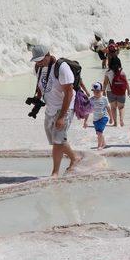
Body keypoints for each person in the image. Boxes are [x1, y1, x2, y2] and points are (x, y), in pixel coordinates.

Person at [30, 45, 81, 177]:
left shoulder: (61, 67)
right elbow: (41, 86)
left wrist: (62, 117)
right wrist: (36, 100)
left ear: (48, 55)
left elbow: (69, 93)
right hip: (50, 109)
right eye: (36, 61)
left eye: (41, 60)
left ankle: (55, 173)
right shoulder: (38, 68)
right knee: (55, 140)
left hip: (65, 107)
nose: (39, 63)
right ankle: (75, 158)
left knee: (58, 141)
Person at [102, 57, 130, 127]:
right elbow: (126, 82)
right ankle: (121, 120)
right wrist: (129, 90)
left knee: (113, 107)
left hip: (110, 92)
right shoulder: (122, 72)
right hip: (121, 91)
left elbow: (105, 83)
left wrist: (103, 91)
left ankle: (115, 123)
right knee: (121, 107)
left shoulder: (108, 72)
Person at [88, 82, 111, 150]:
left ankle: (99, 146)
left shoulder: (104, 98)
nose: (96, 93)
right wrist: (85, 121)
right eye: (94, 91)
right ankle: (104, 144)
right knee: (99, 133)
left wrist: (111, 118)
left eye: (97, 91)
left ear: (101, 91)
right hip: (95, 119)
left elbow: (108, 108)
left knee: (99, 132)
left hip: (103, 117)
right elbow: (88, 110)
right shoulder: (91, 99)